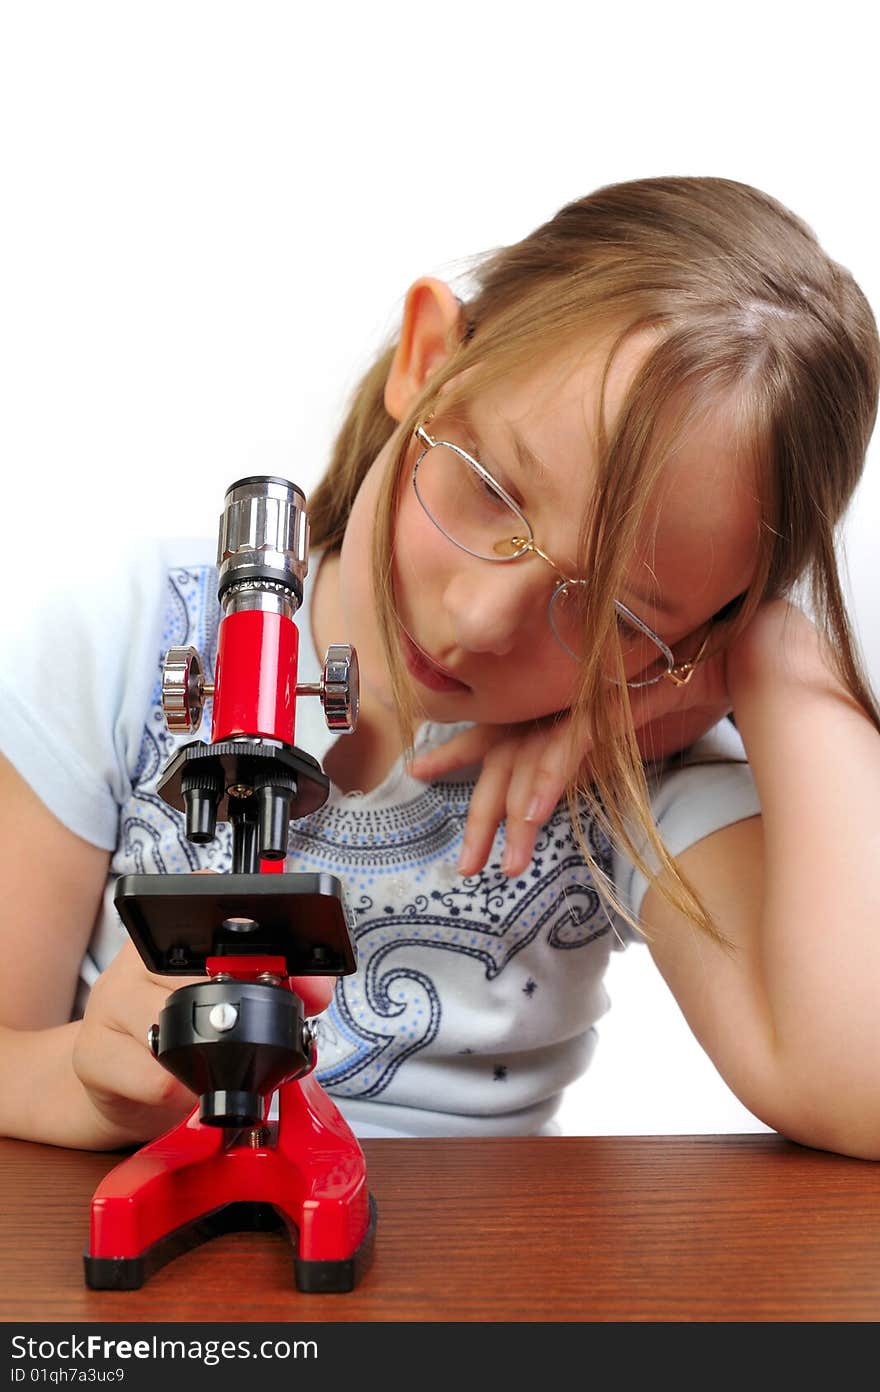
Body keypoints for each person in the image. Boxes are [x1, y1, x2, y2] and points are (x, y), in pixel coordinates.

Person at [2, 175, 879, 1152]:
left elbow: (860, 1081)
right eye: (489, 486)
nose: (479, 618)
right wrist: (84, 1087)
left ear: (704, 632)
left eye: (616, 614)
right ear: (426, 358)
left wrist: (779, 660)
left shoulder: (638, 778)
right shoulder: (124, 643)